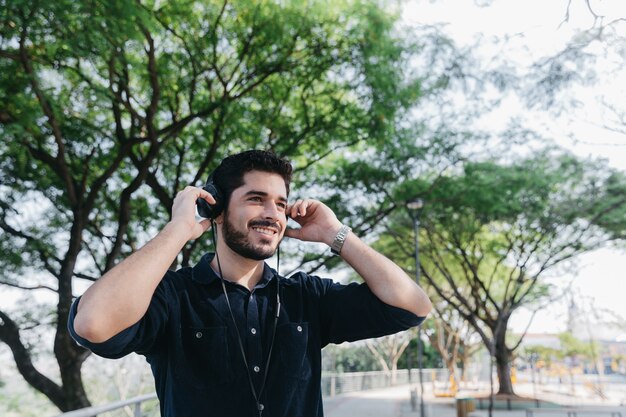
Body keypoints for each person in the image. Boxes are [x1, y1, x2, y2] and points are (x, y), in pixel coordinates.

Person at [69, 149, 432, 417]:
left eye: (280, 203)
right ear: (217, 211)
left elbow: (413, 305)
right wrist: (178, 229)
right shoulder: (173, 297)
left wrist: (335, 234)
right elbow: (92, 323)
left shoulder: (305, 296)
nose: (272, 213)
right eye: (256, 199)